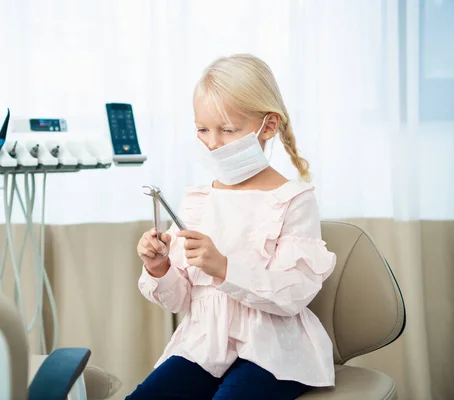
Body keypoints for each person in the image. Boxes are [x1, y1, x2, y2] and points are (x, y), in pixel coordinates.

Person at [127, 54, 337, 400]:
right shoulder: (198, 200)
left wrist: (223, 267)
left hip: (274, 350)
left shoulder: (292, 199)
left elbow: (293, 295)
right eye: (202, 130)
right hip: (205, 344)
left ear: (268, 127)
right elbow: (181, 300)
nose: (211, 143)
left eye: (227, 130)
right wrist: (159, 266)